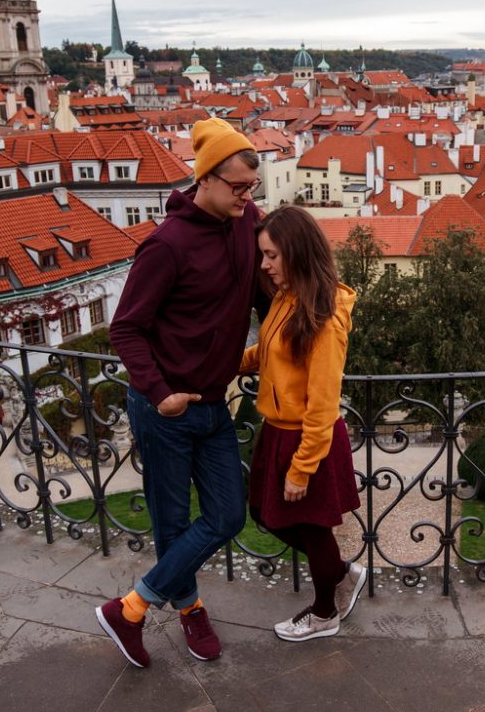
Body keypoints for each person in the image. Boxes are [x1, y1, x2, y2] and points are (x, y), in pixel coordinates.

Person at [96, 118, 263, 668]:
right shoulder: (166, 245)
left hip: (215, 404)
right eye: (238, 186)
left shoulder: (249, 222)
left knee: (227, 514)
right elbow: (125, 329)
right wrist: (160, 392)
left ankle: (131, 608)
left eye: (252, 186)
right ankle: (190, 610)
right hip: (163, 409)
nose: (248, 195)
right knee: (172, 522)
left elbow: (267, 294)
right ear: (206, 180)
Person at [240, 206, 366, 642]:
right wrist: (229, 364)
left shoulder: (325, 316)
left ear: (296, 250)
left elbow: (323, 402)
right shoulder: (285, 298)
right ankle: (344, 575)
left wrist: (302, 466)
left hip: (307, 437)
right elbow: (268, 352)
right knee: (264, 513)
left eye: (272, 255)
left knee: (313, 530)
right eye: (263, 255)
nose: (265, 265)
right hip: (277, 431)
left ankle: (324, 613)